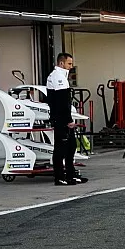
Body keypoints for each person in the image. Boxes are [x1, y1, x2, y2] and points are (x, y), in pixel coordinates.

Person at [46, 53, 87, 186]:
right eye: (69, 64)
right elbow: (62, 101)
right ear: (61, 63)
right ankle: (59, 177)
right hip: (61, 118)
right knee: (61, 148)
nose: (71, 66)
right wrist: (68, 120)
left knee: (71, 146)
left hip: (62, 116)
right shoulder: (58, 76)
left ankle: (70, 174)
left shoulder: (61, 76)